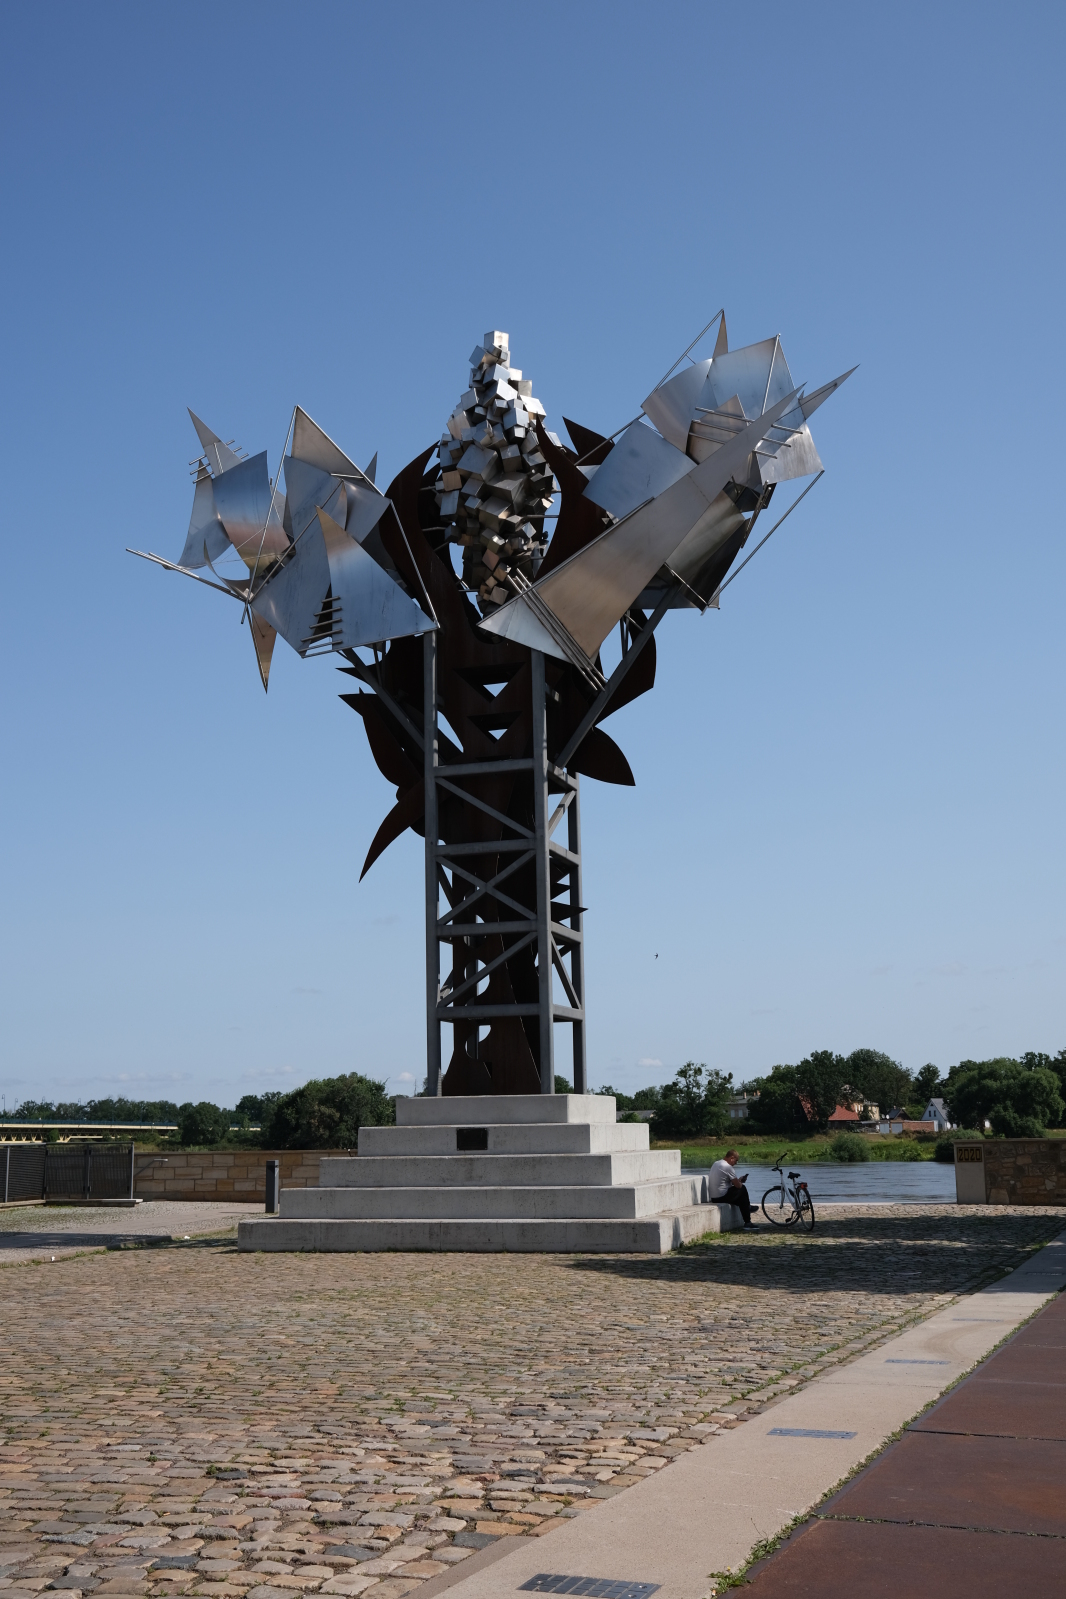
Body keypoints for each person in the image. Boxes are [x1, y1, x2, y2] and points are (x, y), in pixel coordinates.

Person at [706, 1149, 754, 1226]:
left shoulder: (716, 1163)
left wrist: (738, 1181)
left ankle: (747, 1218)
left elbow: (726, 1182)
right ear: (732, 1158)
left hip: (714, 1198)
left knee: (742, 1199)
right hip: (721, 1197)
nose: (735, 1163)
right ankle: (748, 1213)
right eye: (736, 1161)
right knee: (743, 1189)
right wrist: (740, 1182)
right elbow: (738, 1186)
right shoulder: (728, 1167)